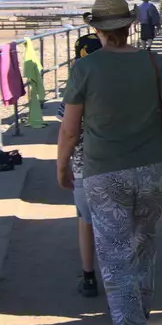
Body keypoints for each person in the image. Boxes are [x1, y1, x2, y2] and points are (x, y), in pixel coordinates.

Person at [57, 0, 162, 325]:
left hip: (104, 173)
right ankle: (136, 322)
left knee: (114, 259)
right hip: (152, 169)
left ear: (97, 29)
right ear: (131, 26)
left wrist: (63, 168)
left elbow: (69, 130)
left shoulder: (85, 69)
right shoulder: (154, 63)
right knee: (142, 246)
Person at [70, 19, 102, 297]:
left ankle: (89, 276)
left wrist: (60, 165)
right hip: (117, 163)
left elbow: (67, 132)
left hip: (84, 170)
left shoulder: (76, 91)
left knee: (86, 223)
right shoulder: (114, 89)